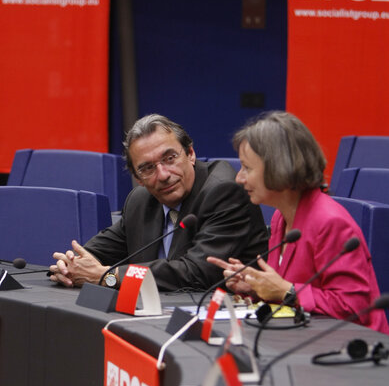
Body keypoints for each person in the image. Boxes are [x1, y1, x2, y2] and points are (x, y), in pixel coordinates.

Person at [208, 111, 389, 333]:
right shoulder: (280, 217)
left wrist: (287, 291)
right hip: (307, 337)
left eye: (248, 168)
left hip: (354, 351)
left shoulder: (330, 223)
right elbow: (287, 289)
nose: (239, 178)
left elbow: (353, 307)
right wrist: (256, 287)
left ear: (278, 167)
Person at [49, 114, 269, 291]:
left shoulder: (224, 191)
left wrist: (108, 277)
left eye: (170, 158)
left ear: (190, 154)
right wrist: (70, 266)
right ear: (138, 178)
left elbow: (196, 272)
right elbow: (95, 253)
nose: (163, 175)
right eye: (148, 168)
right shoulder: (140, 200)